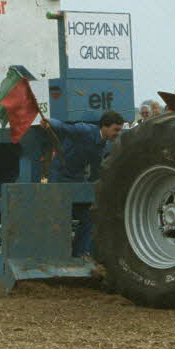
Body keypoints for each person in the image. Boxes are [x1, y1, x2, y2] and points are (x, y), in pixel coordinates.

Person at [42, 110, 125, 258]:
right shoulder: (85, 130)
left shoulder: (106, 147)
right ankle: (55, 255)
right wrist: (49, 123)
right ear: (104, 127)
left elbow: (96, 172)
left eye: (120, 130)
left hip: (77, 179)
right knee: (58, 214)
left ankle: (79, 253)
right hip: (59, 176)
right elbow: (63, 127)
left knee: (89, 217)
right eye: (116, 129)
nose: (118, 133)